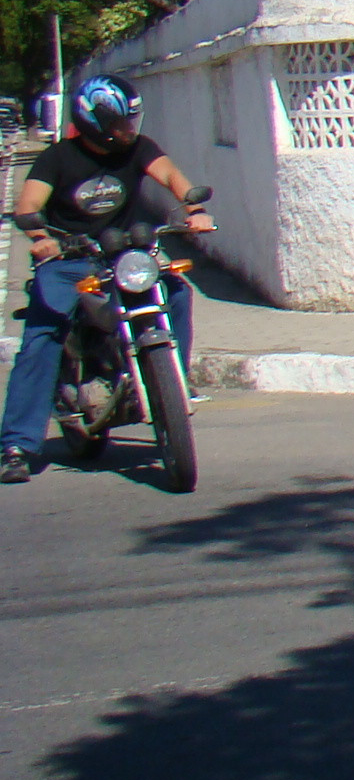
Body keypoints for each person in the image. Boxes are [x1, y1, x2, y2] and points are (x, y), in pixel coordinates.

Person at [2, 75, 213, 484]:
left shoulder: (139, 149)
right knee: (43, 334)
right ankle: (17, 446)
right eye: (119, 122)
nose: (127, 129)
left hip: (124, 255)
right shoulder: (58, 158)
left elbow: (172, 178)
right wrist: (41, 238)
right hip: (69, 257)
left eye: (130, 121)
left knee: (176, 293)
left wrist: (193, 209)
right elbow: (29, 205)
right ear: (94, 120)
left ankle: (172, 385)